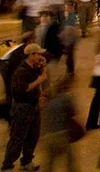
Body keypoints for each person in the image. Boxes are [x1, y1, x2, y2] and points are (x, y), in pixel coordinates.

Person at [3, 43, 47, 172]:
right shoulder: (21, 71)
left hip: (33, 106)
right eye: (38, 54)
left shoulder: (33, 67)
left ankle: (27, 162)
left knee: (33, 136)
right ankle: (7, 165)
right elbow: (22, 90)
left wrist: (42, 66)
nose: (40, 56)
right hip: (22, 108)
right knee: (18, 137)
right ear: (31, 55)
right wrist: (40, 79)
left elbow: (43, 70)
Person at [40, 77, 78, 172]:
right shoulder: (65, 98)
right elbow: (73, 113)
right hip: (62, 135)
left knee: (49, 164)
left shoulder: (47, 102)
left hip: (47, 136)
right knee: (71, 163)